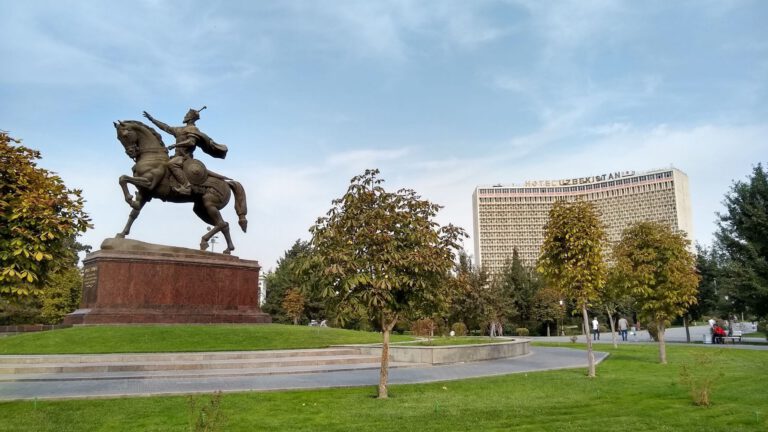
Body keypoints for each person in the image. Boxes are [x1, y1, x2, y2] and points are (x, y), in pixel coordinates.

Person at [143, 107, 228, 195]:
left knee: (171, 164)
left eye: (187, 115)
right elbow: (166, 127)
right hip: (176, 156)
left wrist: (175, 145)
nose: (185, 116)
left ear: (190, 117)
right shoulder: (180, 129)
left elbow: (191, 142)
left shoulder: (193, 129)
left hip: (185, 158)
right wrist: (152, 119)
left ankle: (187, 187)